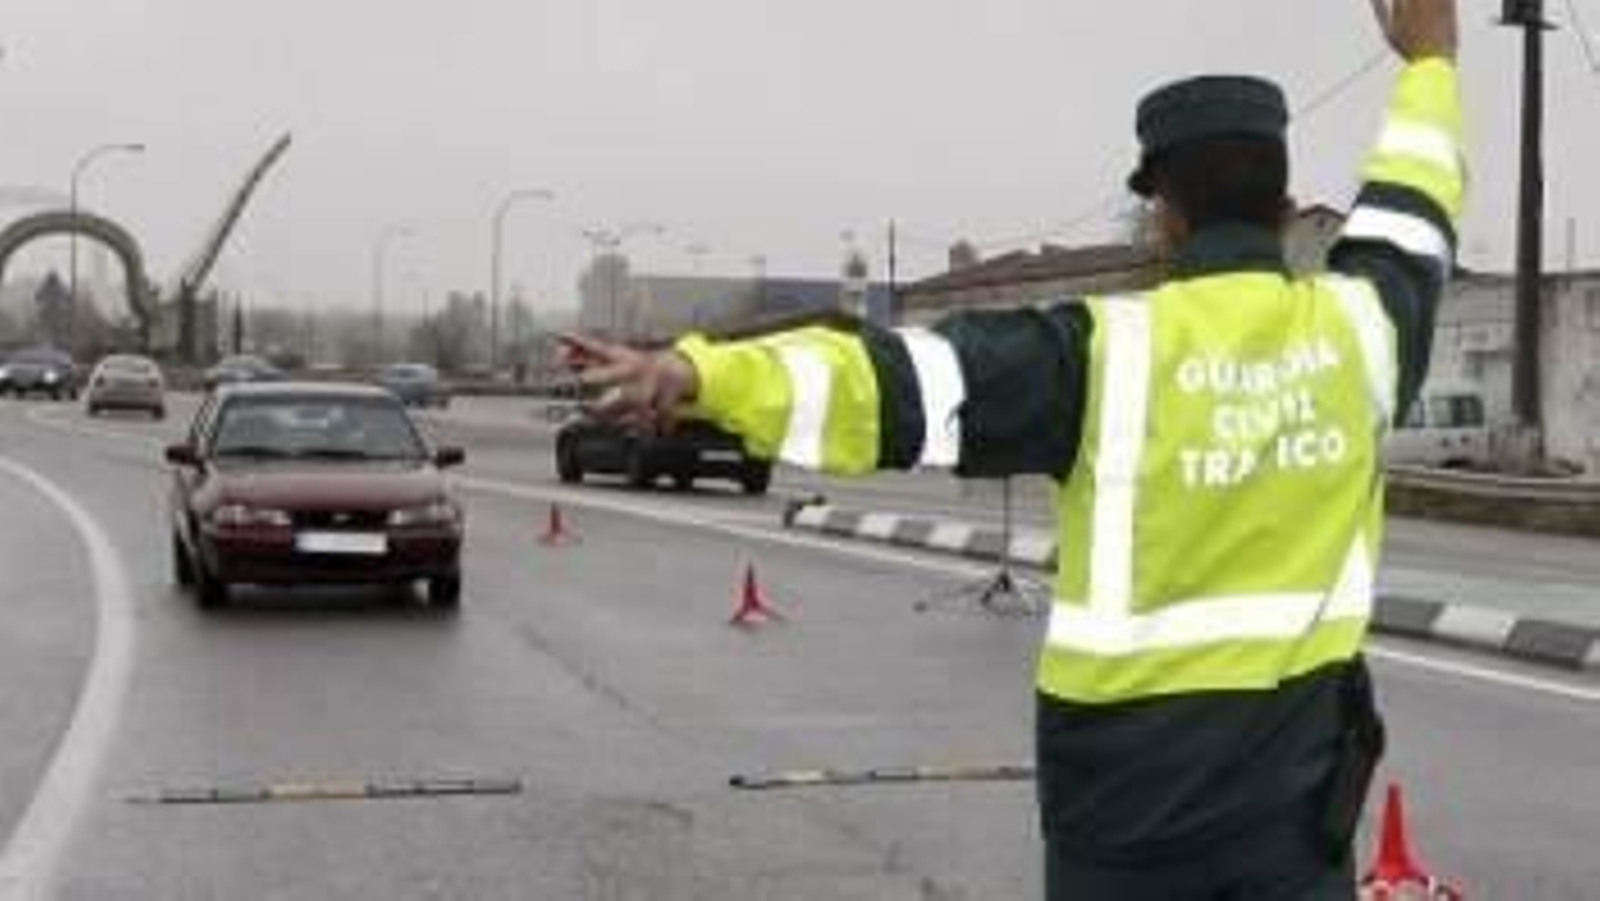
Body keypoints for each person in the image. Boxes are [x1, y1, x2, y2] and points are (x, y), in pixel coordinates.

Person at [563, 0, 1462, 896]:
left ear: (1165, 219)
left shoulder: (1097, 354)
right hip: (1293, 835)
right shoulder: (1366, 335)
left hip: (1125, 831)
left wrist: (702, 375)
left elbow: (888, 384)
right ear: (1286, 206)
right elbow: (1413, 210)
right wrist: (1430, 61)